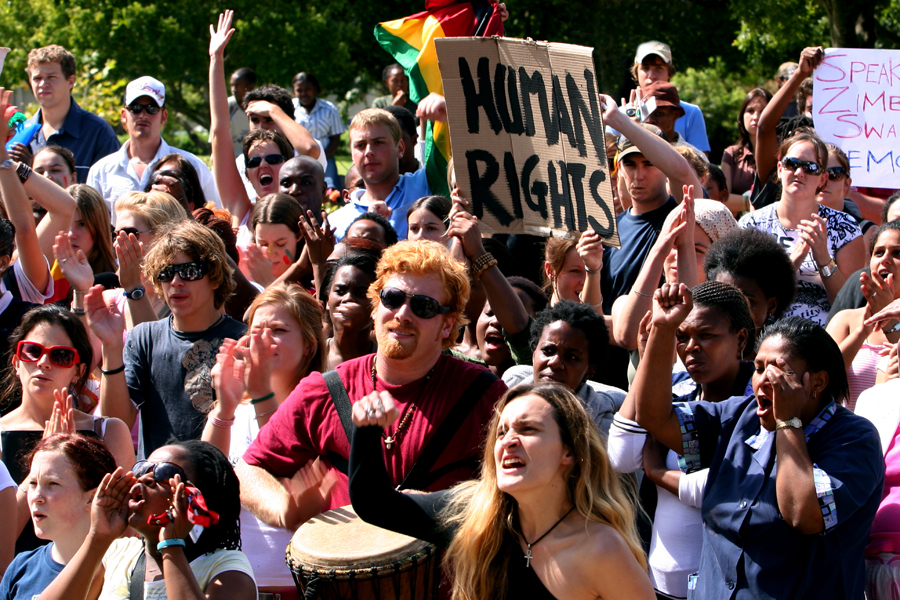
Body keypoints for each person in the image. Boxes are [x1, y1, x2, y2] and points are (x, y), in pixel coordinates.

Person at [632, 284, 883, 599]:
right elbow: (654, 417)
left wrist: (787, 423)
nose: (764, 379)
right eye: (760, 368)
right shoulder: (741, 416)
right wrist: (663, 328)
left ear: (817, 382)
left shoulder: (854, 439)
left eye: (780, 370)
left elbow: (803, 514)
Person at [238, 240, 507, 530]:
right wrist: (282, 509)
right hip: (342, 568)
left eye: (423, 306)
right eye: (392, 298)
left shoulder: (485, 395)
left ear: (446, 324)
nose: (403, 314)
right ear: (376, 306)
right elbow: (249, 469)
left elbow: (518, 490)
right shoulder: (325, 389)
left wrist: (438, 503)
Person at [349, 381, 655, 599]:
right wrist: (366, 429)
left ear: (569, 453)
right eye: (502, 431)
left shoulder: (601, 548)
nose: (508, 440)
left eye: (528, 429)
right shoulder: (472, 514)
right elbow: (375, 504)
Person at [609, 280, 755, 600]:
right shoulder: (674, 393)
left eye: (706, 335)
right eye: (681, 336)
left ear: (741, 338)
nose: (691, 347)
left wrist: (660, 475)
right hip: (661, 583)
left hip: (723, 585)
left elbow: (729, 488)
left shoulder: (759, 402)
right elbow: (621, 454)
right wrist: (652, 350)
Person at [202, 283, 326, 595]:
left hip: (297, 585)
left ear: (309, 346)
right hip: (231, 585)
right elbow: (205, 484)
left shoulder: (324, 411)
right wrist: (226, 406)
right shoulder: (232, 411)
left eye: (279, 329)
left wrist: (261, 397)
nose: (264, 338)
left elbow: (288, 478)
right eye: (257, 329)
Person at [86, 219, 245, 459]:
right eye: (166, 273)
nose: (176, 282)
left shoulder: (242, 340)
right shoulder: (144, 336)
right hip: (156, 483)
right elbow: (116, 421)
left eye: (189, 272)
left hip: (218, 480)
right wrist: (111, 347)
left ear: (214, 277)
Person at [37, 440, 257, 600]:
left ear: (197, 499)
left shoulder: (228, 570)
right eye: (142, 468)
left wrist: (171, 543)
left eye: (166, 473)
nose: (144, 478)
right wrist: (98, 536)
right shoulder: (119, 553)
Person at [0, 305, 134, 553]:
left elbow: (123, 531)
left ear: (78, 371)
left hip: (92, 579)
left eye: (60, 355)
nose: (43, 362)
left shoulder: (109, 431)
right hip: (18, 584)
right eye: (32, 351)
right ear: (16, 362)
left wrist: (69, 456)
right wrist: (44, 462)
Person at [739, 130, 865, 325]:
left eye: (810, 167)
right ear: (780, 169)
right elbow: (744, 298)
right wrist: (790, 266)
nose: (799, 172)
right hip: (765, 333)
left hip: (825, 336)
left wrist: (823, 259)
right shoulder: (751, 225)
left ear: (822, 179)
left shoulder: (845, 228)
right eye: (792, 164)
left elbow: (850, 307)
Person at [598, 96, 703, 315]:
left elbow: (681, 171)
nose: (639, 175)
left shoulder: (680, 214)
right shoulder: (609, 229)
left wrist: (619, 120)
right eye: (630, 164)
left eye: (650, 164)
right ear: (619, 167)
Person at [0, 433, 114, 599]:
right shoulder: (21, 567)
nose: (36, 497)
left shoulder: (123, 564)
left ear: (92, 498)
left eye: (52, 484)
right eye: (32, 483)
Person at [86, 76, 219, 215]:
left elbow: (214, 219)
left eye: (152, 108)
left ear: (164, 116)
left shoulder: (192, 166)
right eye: (136, 108)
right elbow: (93, 225)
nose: (143, 115)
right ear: (123, 115)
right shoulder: (101, 171)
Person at [502, 301, 625, 437]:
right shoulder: (511, 386)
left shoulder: (601, 429)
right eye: (548, 350)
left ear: (589, 370)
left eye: (571, 357)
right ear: (534, 353)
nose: (554, 362)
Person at [17, 45, 120, 182]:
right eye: (37, 78)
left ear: (70, 81)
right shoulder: (21, 133)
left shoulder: (97, 131)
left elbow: (111, 192)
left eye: (51, 77)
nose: (43, 84)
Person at [826, 222, 900, 410]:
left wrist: (890, 323)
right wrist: (860, 333)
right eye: (879, 252)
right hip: (849, 436)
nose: (885, 259)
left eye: (897, 253)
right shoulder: (846, 320)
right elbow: (820, 378)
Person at [329, 108, 431, 241]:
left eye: (378, 143)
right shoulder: (336, 224)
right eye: (360, 145)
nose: (369, 152)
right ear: (352, 155)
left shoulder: (426, 183)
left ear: (400, 148)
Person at [703, 227, 797, 332]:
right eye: (721, 299)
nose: (732, 311)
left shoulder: (785, 346)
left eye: (747, 301)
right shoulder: (697, 343)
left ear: (771, 305)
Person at [629, 41, 709, 153]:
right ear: (635, 73)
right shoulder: (618, 114)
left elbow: (702, 163)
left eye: (659, 68)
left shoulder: (691, 112)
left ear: (670, 72)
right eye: (645, 68)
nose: (652, 75)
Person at [48, 184, 118, 305]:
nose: (71, 234)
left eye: (81, 224)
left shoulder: (114, 282)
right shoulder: (43, 270)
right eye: (65, 223)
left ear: (98, 227)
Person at [320, 252, 378, 371]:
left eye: (361, 293)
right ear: (327, 300)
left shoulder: (386, 363)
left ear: (377, 304)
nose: (347, 299)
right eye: (340, 291)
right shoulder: (308, 358)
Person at [292, 71, 344, 189]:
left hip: (326, 157)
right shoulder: (289, 108)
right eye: (299, 90)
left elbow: (335, 138)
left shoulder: (329, 109)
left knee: (330, 191)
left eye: (308, 89)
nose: (304, 93)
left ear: (315, 88)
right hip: (295, 158)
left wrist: (320, 157)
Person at [722, 88, 772, 199]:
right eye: (750, 111)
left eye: (762, 111)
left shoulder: (783, 153)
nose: (756, 117)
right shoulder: (731, 154)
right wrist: (749, 203)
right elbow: (723, 199)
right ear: (741, 116)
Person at [383, 105, 420, 174]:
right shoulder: (370, 183)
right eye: (380, 142)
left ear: (414, 139)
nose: (391, 147)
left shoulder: (431, 179)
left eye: (397, 138)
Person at [228, 67, 255, 156]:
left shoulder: (260, 107)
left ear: (250, 87)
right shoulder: (227, 106)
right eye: (232, 85)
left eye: (237, 85)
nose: (233, 89)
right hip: (231, 160)